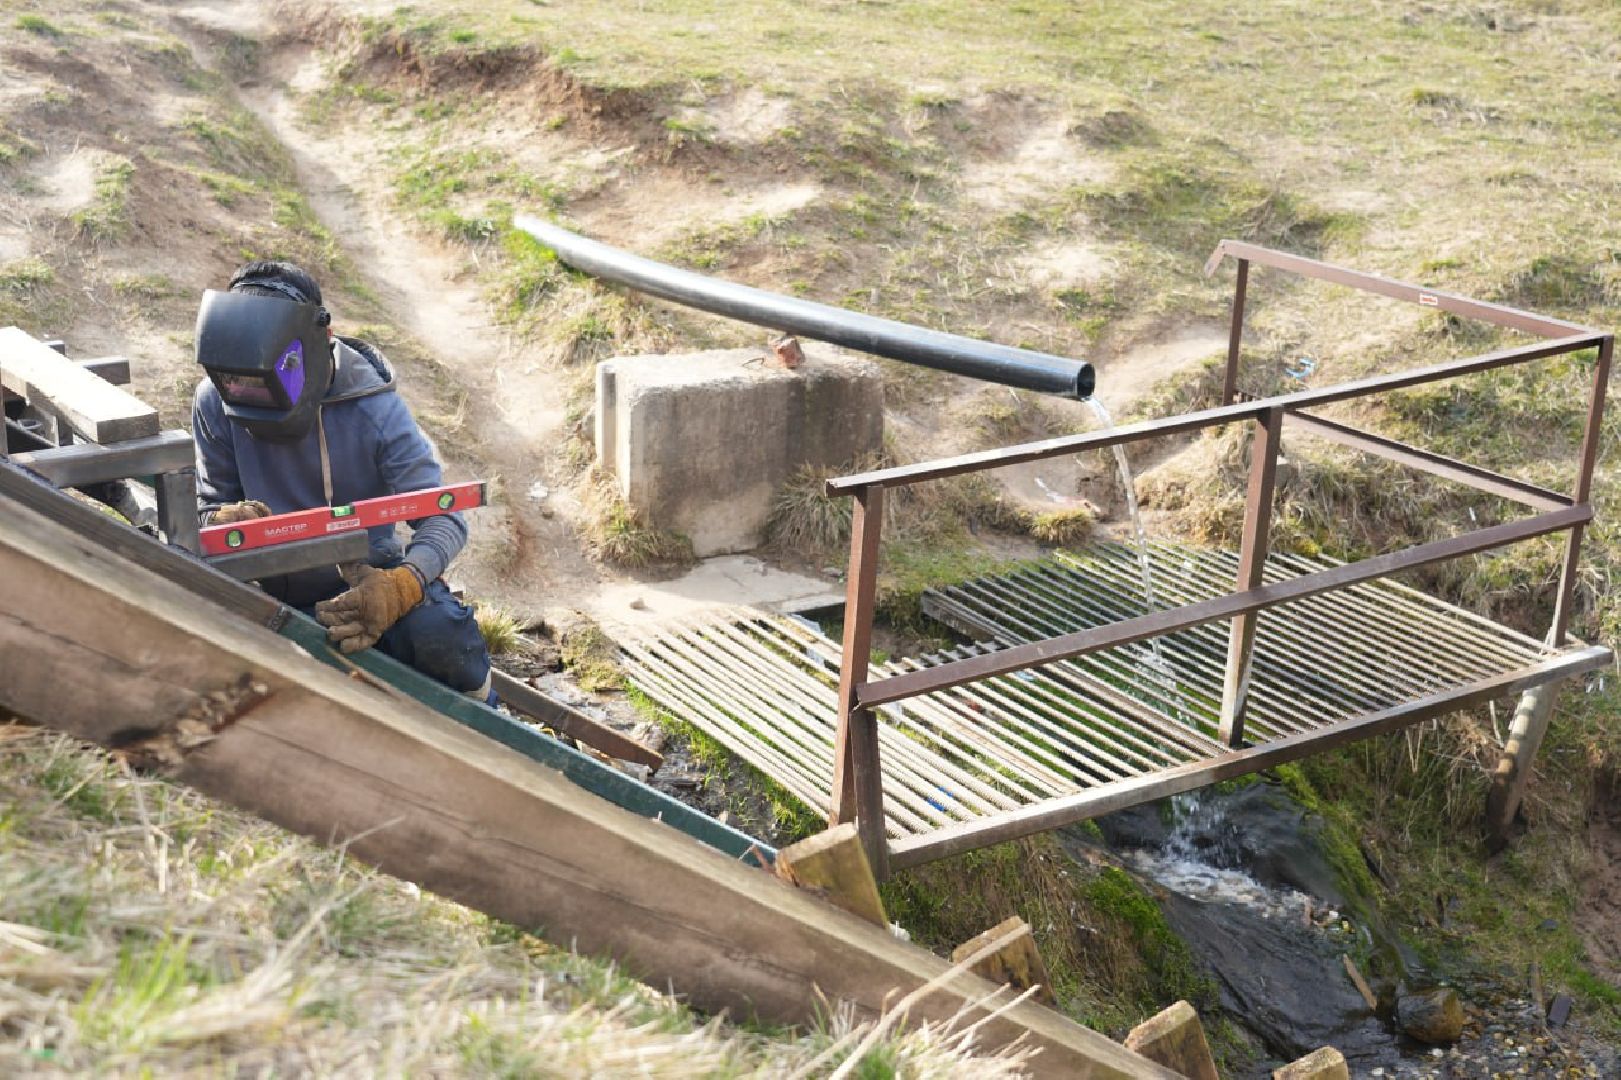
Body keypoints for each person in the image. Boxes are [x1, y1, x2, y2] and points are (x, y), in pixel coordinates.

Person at [191, 259, 493, 701]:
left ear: (321, 341)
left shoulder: (376, 410)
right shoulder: (217, 401)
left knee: (442, 635)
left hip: (368, 580)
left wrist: (403, 584)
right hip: (268, 582)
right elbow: (206, 507)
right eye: (237, 384)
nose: (252, 395)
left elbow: (444, 517)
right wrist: (221, 522)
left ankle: (487, 715)